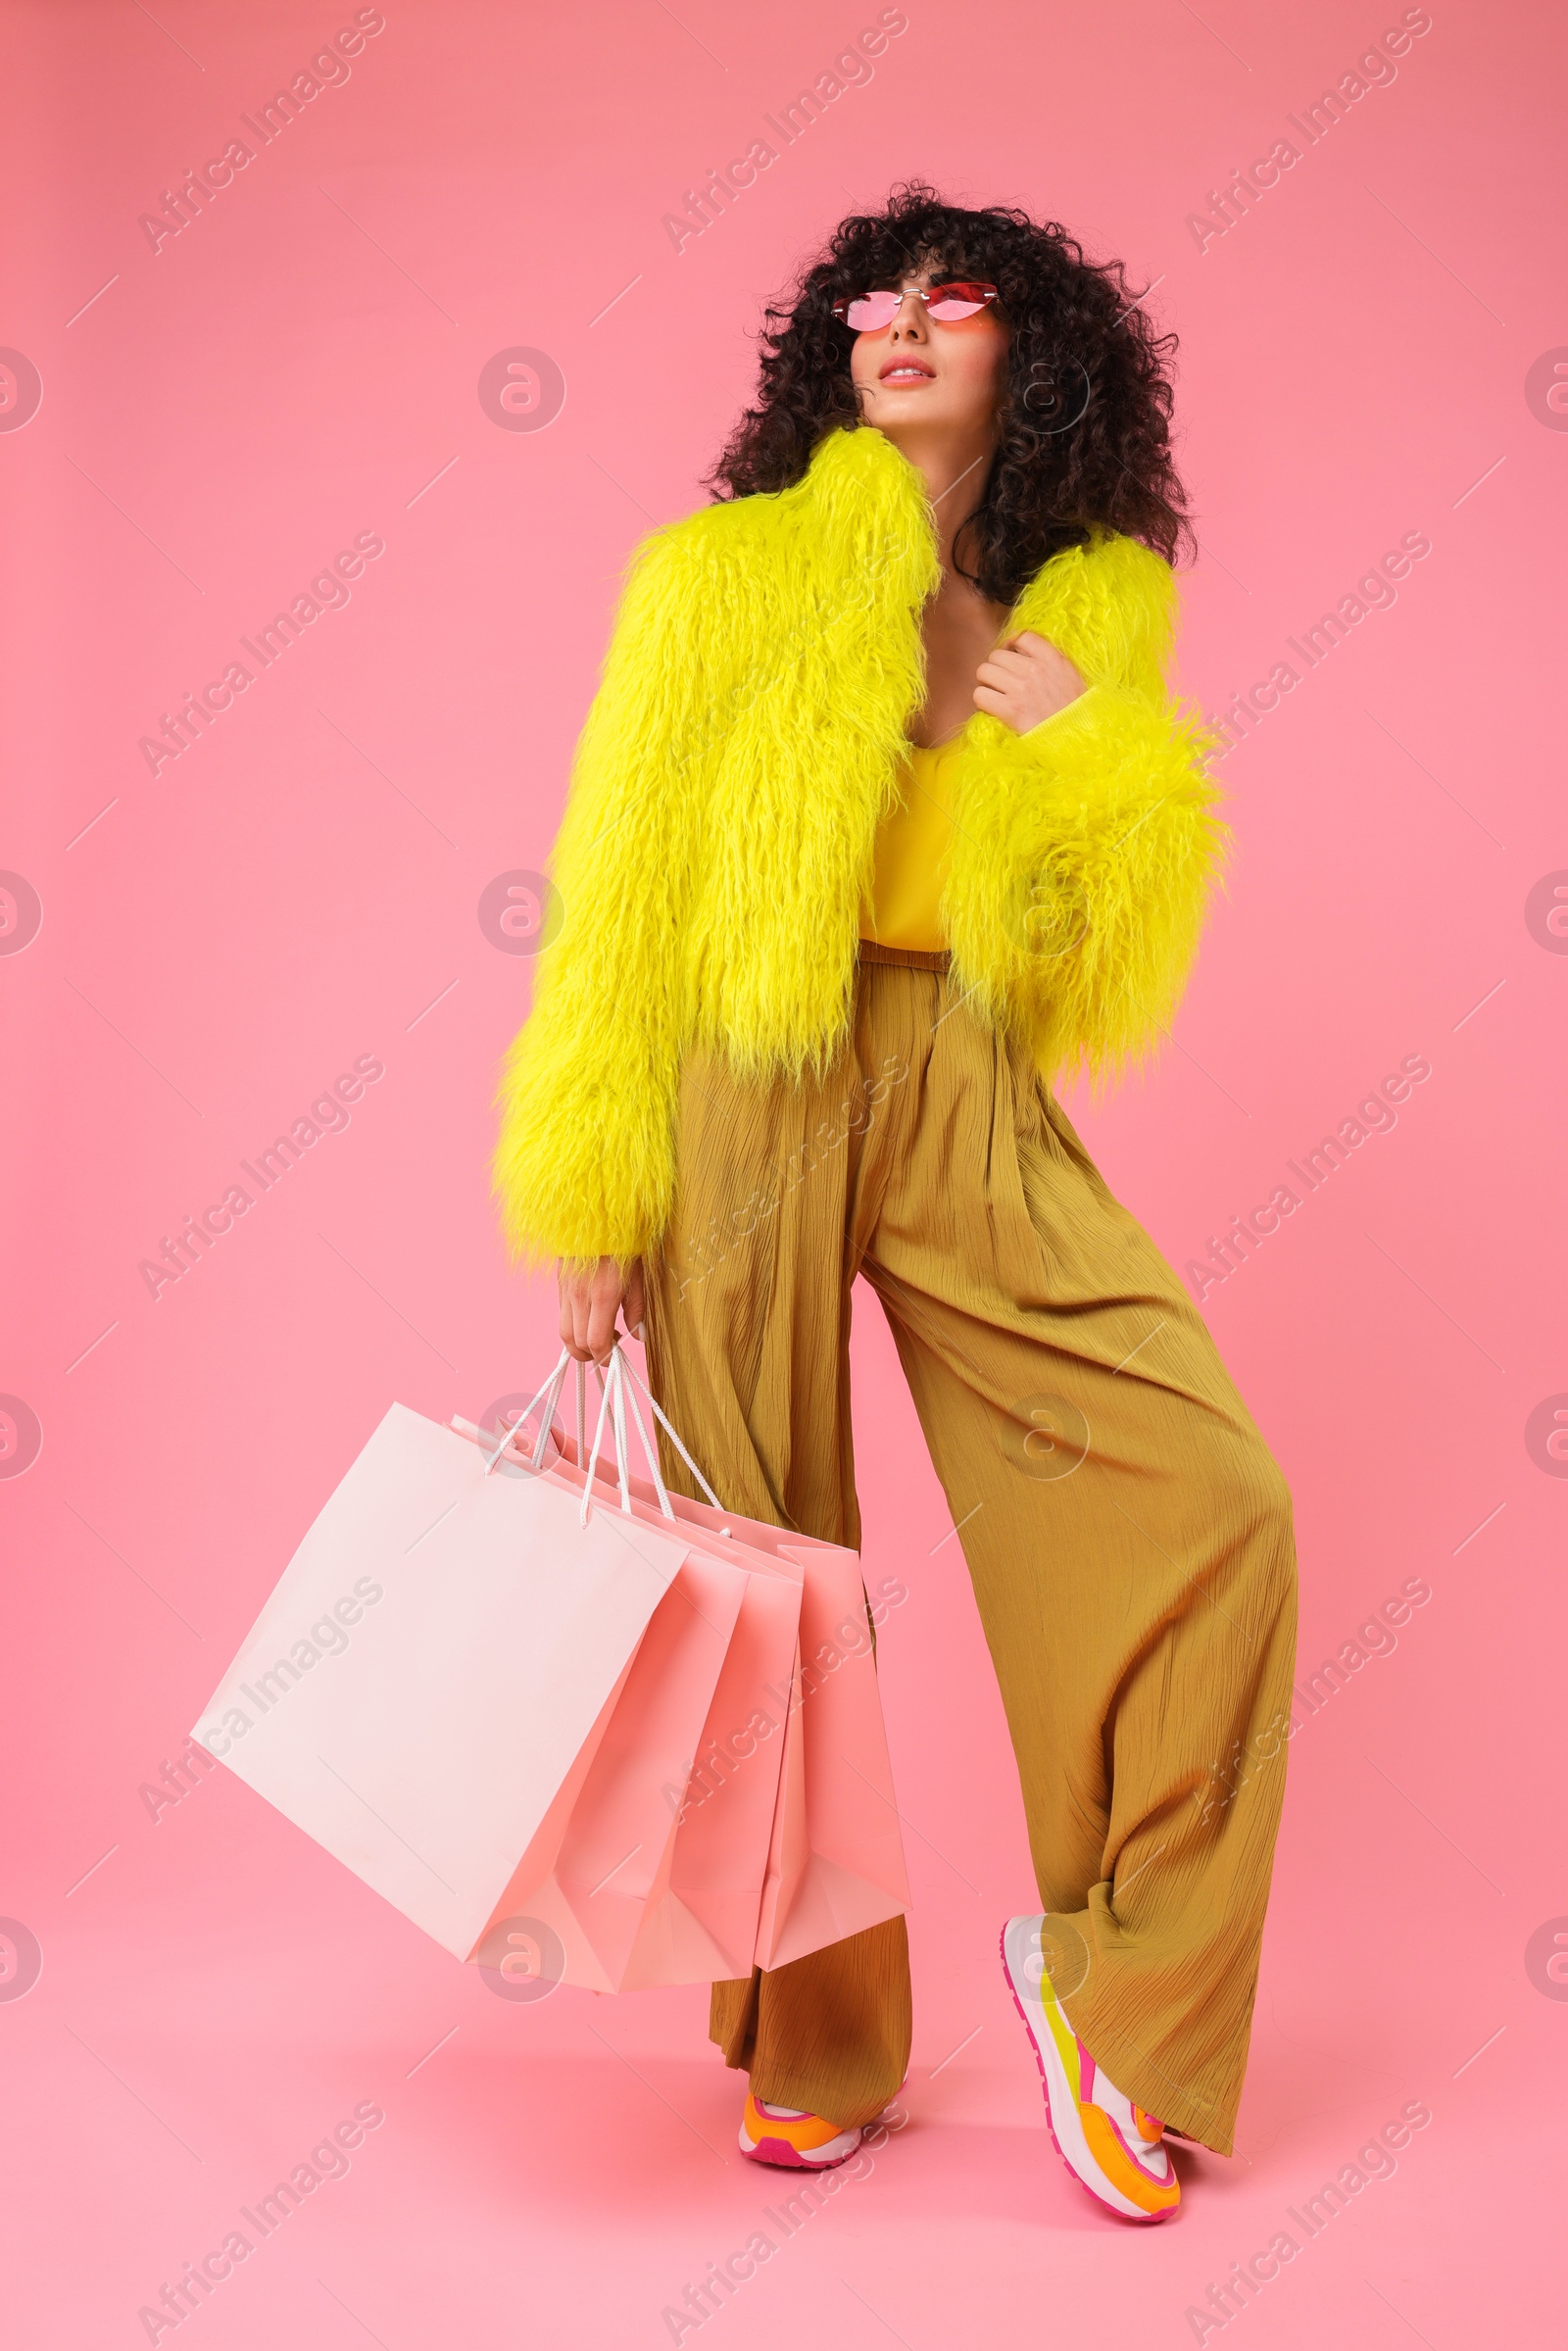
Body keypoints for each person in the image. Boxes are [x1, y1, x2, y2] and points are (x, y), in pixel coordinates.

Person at [492, 184, 1298, 2224]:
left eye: (958, 300)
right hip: (738, 1080)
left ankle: (1108, 1991)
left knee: (1211, 1499)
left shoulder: (1089, 606)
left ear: (1037, 354)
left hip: (965, 1076)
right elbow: (620, 893)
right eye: (875, 297)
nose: (903, 322)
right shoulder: (719, 577)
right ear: (826, 350)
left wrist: (1105, 760)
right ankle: (814, 2034)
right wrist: (596, 1183)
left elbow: (1088, 971)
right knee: (771, 1564)